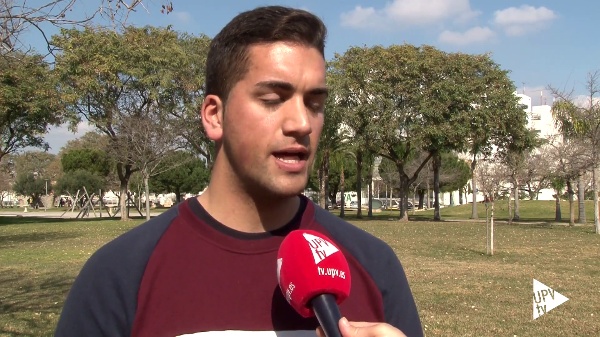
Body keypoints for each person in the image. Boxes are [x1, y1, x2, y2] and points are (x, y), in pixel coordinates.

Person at [54, 6, 423, 337]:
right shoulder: (119, 275)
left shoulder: (374, 266)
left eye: (314, 103)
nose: (301, 123)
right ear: (215, 115)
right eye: (273, 99)